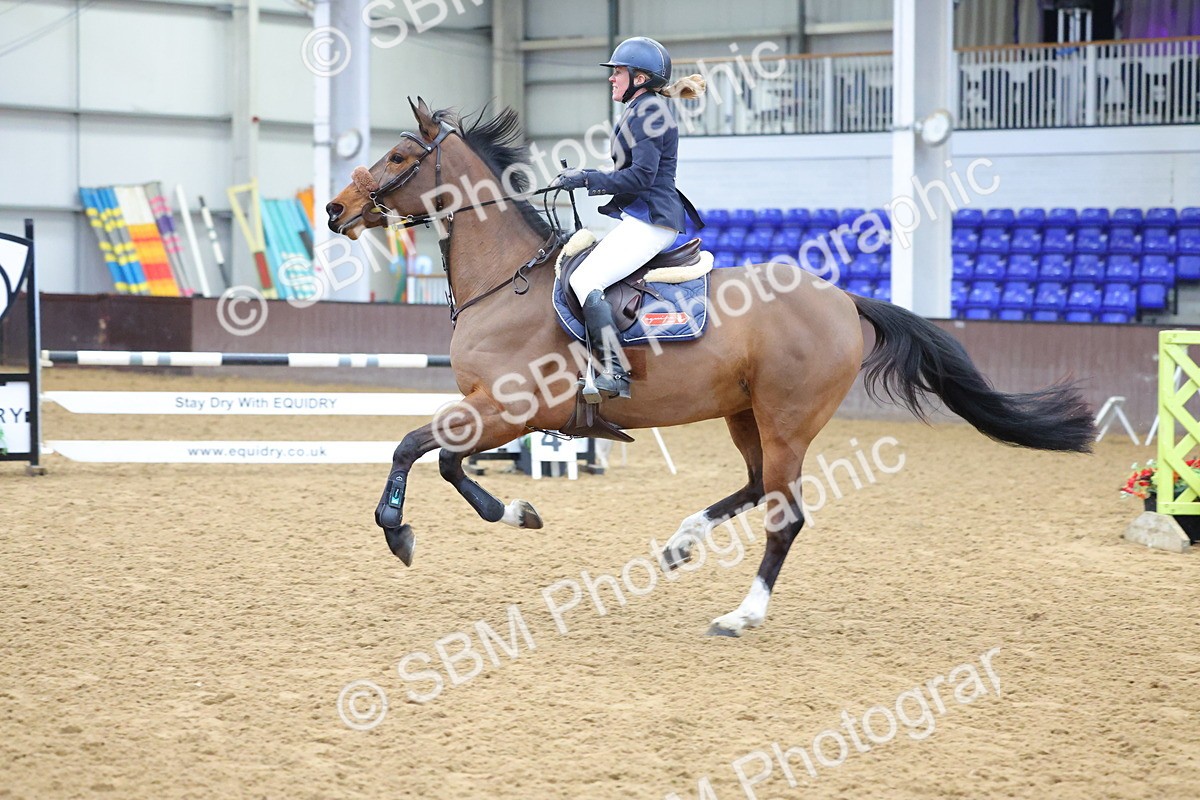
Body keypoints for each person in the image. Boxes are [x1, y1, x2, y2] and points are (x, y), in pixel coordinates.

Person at [551, 36, 706, 400]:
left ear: (639, 78)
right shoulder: (640, 109)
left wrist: (586, 178)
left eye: (618, 71)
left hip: (652, 220)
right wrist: (584, 176)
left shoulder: (648, 112)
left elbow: (641, 177)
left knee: (587, 277)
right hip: (643, 218)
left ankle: (616, 373)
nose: (611, 78)